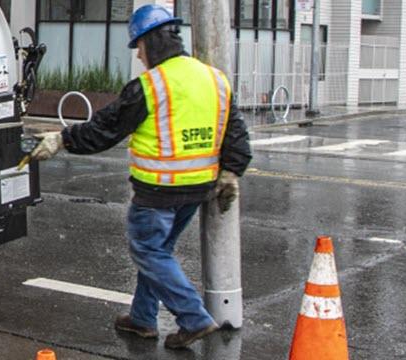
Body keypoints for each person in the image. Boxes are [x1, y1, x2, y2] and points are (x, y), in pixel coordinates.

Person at [29, 4, 252, 349]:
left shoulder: (152, 85)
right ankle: (143, 319)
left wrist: (62, 139)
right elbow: (235, 132)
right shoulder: (213, 78)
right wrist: (231, 173)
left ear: (151, 42)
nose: (139, 56)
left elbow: (106, 129)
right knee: (157, 251)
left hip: (158, 193)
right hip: (198, 189)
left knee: (149, 251)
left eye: (139, 48)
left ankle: (193, 318)